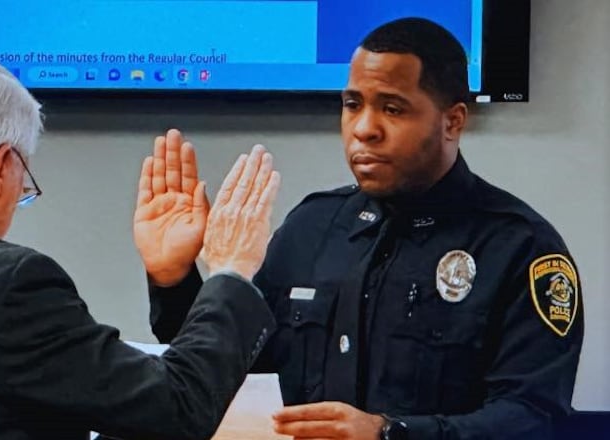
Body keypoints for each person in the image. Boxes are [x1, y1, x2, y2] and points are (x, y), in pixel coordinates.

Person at [138, 18, 584, 439]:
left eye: (392, 108)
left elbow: (533, 418)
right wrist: (174, 281)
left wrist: (389, 434)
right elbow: (227, 373)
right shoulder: (311, 228)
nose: (364, 129)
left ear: (452, 121)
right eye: (353, 105)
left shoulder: (519, 247)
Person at [0, 53, 283, 440]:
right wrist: (229, 271)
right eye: (26, 182)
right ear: (3, 166)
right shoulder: (5, 284)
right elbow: (179, 408)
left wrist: (172, 282)